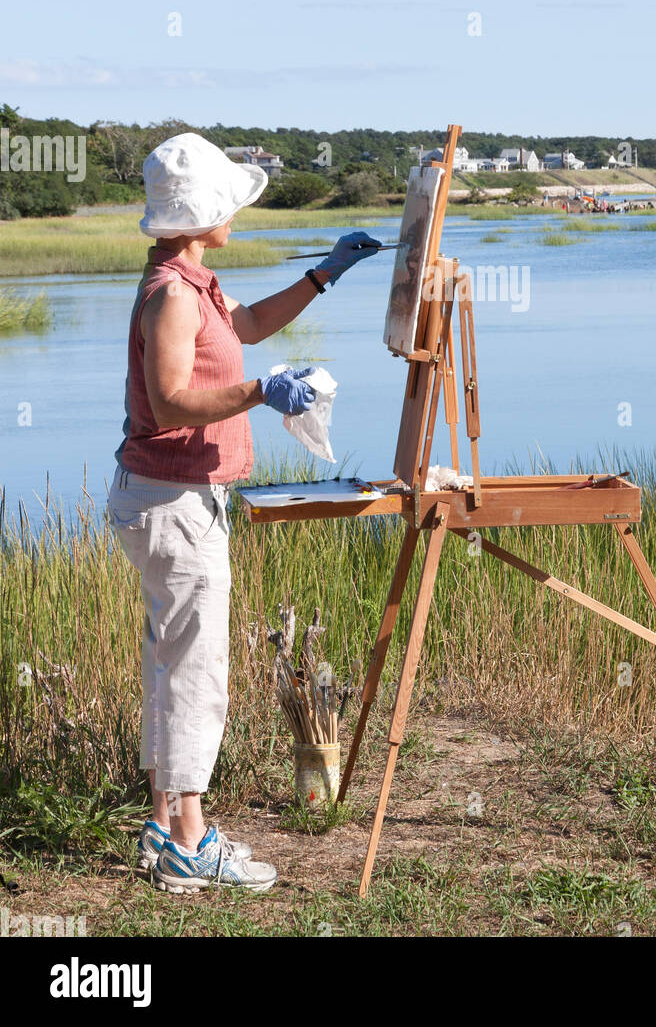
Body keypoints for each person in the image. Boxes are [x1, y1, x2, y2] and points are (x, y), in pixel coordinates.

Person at [107, 133, 381, 893]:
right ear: (204, 215)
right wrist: (262, 392)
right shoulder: (170, 294)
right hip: (174, 502)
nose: (236, 213)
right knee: (197, 673)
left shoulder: (193, 282)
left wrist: (324, 275)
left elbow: (249, 328)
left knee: (171, 667)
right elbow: (169, 401)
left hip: (172, 499)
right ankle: (193, 840)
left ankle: (165, 824)